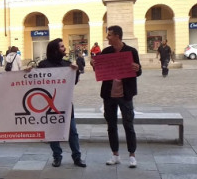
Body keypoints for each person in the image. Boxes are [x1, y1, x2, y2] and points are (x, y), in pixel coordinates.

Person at [95, 26, 142, 168]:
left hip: (125, 94)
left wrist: (137, 68)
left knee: (129, 125)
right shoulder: (106, 52)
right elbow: (100, 69)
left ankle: (132, 155)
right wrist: (94, 64)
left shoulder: (131, 51)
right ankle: (115, 154)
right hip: (109, 94)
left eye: (109, 35)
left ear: (117, 36)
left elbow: (138, 71)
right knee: (111, 126)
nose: (107, 37)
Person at [38, 39, 86, 168]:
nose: (64, 48)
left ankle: (77, 157)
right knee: (53, 132)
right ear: (54, 49)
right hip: (50, 104)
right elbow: (35, 83)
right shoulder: (43, 65)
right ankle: (57, 156)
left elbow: (72, 83)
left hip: (65, 104)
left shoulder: (67, 64)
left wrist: (75, 72)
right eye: (62, 47)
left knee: (72, 132)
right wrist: (27, 72)